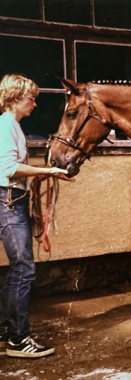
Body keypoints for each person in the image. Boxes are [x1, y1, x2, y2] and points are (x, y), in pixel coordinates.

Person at [0, 74, 71, 358]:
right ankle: (18, 339)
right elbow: (8, 168)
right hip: (8, 201)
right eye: (31, 98)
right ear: (15, 98)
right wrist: (47, 171)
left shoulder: (12, 126)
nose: (35, 103)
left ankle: (7, 328)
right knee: (23, 268)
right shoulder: (6, 125)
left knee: (17, 268)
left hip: (12, 200)